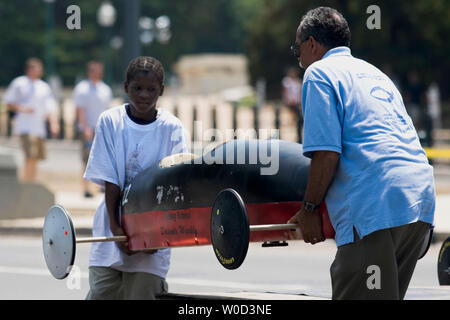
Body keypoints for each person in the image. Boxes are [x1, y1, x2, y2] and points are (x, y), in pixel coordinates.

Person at [287, 7, 435, 300]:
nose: (299, 58)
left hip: (375, 207)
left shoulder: (318, 73)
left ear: (312, 43)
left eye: (297, 48)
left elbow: (327, 153)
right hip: (418, 203)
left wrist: (310, 209)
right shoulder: (374, 73)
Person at [83, 56, 189, 300]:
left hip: (154, 238)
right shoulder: (110, 121)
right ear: (125, 87)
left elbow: (176, 188)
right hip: (111, 232)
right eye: (137, 88)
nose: (143, 95)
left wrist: (158, 237)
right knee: (101, 293)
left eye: (151, 89)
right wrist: (115, 227)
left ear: (161, 90)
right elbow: (111, 180)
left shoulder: (172, 129)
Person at [3, 58, 59, 181]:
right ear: (28, 70)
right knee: (30, 155)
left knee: (36, 157)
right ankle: (26, 182)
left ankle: (31, 180)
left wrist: (53, 123)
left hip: (39, 127)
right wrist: (23, 109)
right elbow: (8, 101)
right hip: (25, 126)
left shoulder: (43, 86)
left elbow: (50, 106)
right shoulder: (19, 83)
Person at [73, 61, 113, 197]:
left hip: (101, 128)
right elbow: (80, 110)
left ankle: (100, 186)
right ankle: (86, 188)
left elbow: (108, 110)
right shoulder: (82, 88)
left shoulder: (105, 89)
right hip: (88, 128)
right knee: (87, 159)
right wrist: (85, 128)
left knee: (104, 158)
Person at [281, 67, 303, 142]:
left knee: (295, 113)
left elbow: (300, 91)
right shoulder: (286, 81)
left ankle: (294, 123)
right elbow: (285, 91)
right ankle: (293, 122)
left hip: (296, 100)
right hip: (290, 100)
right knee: (291, 112)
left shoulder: (298, 82)